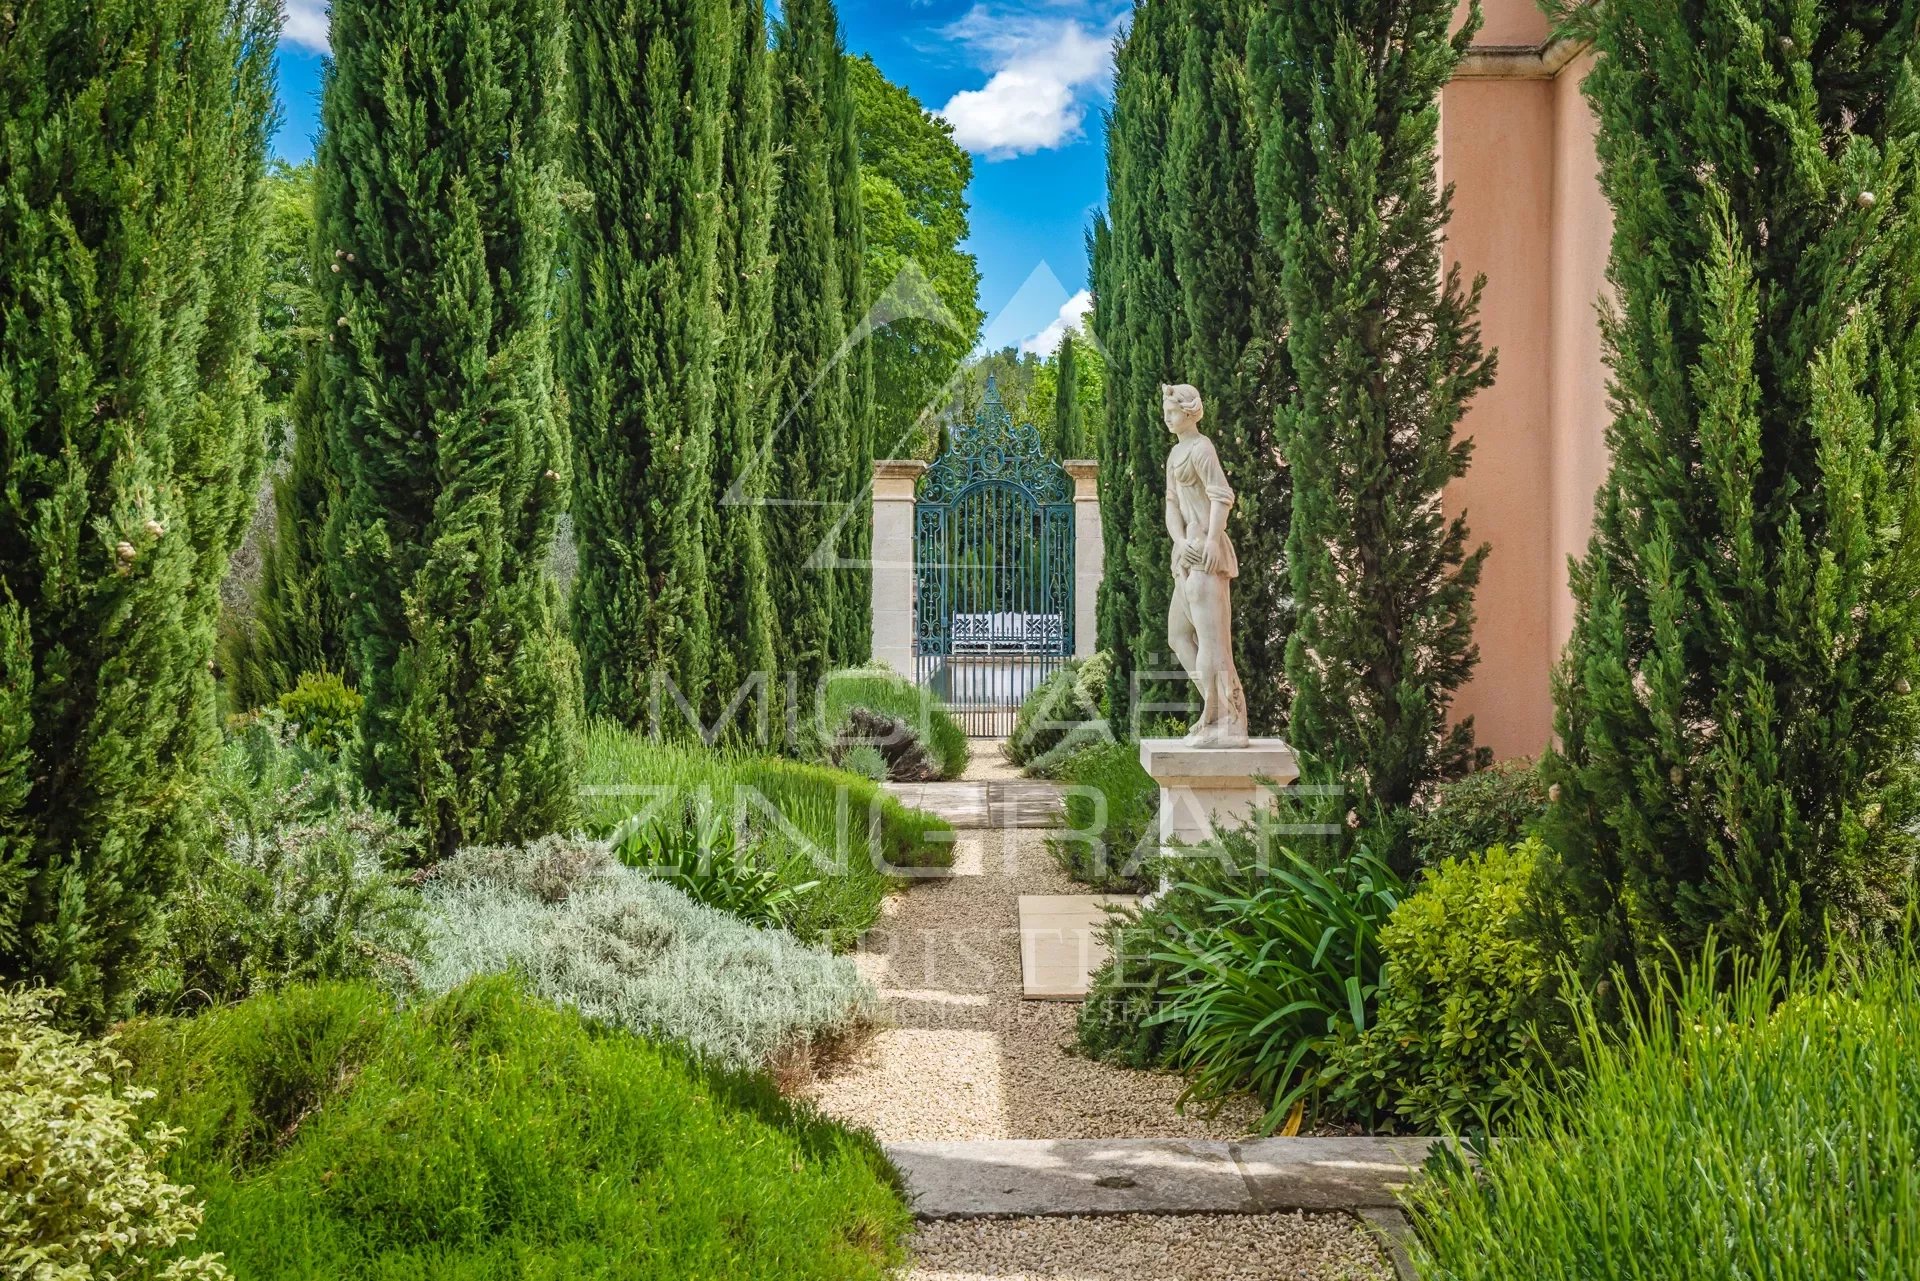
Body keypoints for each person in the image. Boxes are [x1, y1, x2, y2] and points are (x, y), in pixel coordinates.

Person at [1162, 383, 1249, 748]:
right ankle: (1219, 708)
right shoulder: (1175, 455)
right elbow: (1171, 505)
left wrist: (1212, 540)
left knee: (1212, 640)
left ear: (1189, 411)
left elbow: (1221, 495)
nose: (1167, 417)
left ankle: (1222, 718)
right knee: (1178, 636)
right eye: (1165, 411)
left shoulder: (1201, 448)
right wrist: (1179, 543)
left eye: (1172, 410)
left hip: (1205, 552)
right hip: (1186, 552)